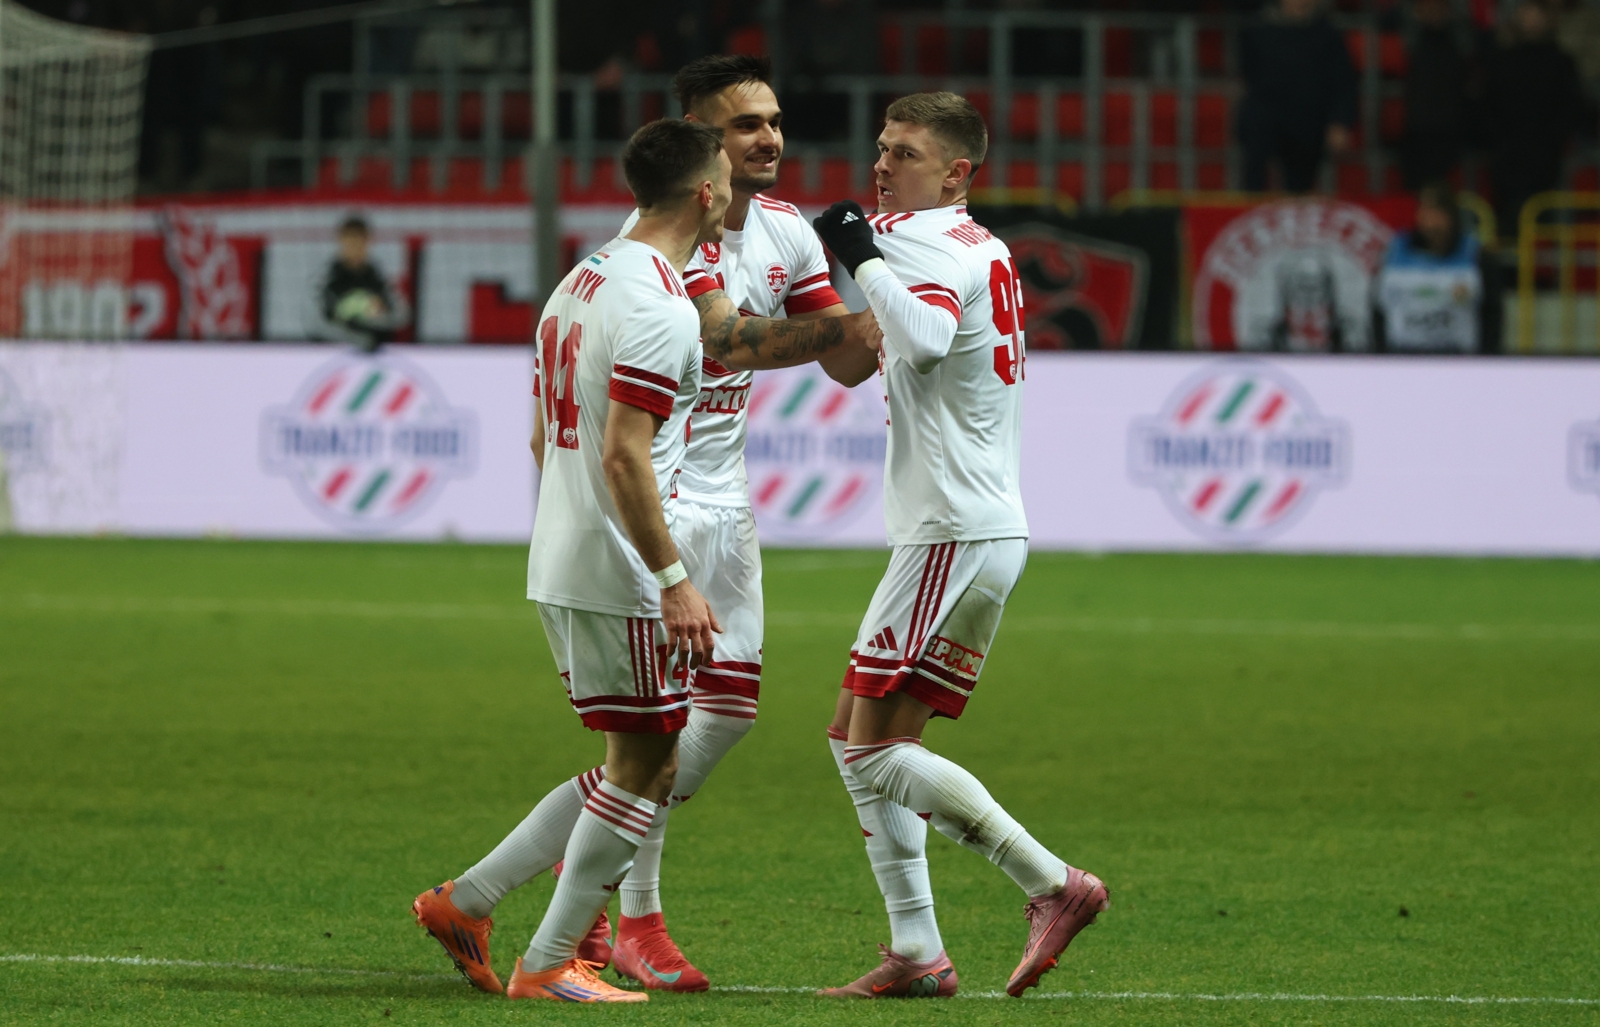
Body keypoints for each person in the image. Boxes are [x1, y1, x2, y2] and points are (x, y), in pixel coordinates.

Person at [411, 118, 730, 1003]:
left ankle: (467, 901)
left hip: (566, 549)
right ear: (706, 192)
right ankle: (549, 961)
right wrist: (672, 579)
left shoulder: (580, 280)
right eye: (726, 181)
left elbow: (539, 440)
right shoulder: (661, 305)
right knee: (647, 767)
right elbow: (626, 455)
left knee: (644, 760)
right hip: (619, 567)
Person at [810, 91, 1109, 1000]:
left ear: (956, 173)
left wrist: (861, 251)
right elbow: (855, 358)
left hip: (950, 529)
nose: (882, 164)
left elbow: (929, 340)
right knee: (856, 734)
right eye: (881, 146)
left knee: (869, 750)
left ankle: (1052, 882)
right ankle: (917, 950)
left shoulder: (916, 242)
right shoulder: (982, 244)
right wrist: (829, 275)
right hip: (978, 526)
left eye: (904, 152)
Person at [592, 53, 881, 991]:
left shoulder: (788, 230)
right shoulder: (671, 236)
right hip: (666, 495)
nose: (768, 138)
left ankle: (586, 863)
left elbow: (846, 364)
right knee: (656, 730)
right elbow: (729, 339)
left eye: (775, 120)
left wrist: (892, 300)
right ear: (698, 142)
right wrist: (867, 319)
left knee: (728, 711)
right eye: (745, 124)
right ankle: (632, 917)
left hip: (730, 501)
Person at [1486, 0, 1588, 235]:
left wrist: (1554, 138)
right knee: (1509, 230)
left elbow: (1573, 108)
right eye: (1527, 12)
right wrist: (1497, 141)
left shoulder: (1562, 63)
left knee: (1545, 228)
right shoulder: (1501, 61)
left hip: (1546, 160)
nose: (1532, 19)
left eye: (1538, 13)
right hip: (1508, 158)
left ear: (1549, 19)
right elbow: (1489, 106)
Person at [1238, 0, 1358, 192]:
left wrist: (1340, 121)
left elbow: (1343, 82)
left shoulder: (1328, 35)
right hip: (1265, 120)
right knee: (1254, 174)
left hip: (1308, 123)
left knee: (1300, 186)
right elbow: (1249, 78)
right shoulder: (1258, 31)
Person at [1373, 181, 1503, 353]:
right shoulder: (1393, 255)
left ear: (1452, 216)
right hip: (1402, 357)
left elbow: (1492, 314)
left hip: (1459, 358)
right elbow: (1377, 309)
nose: (1432, 223)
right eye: (1426, 213)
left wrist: (1487, 358)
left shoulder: (1477, 258)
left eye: (1438, 213)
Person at [1399, 0, 1477, 189]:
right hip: (1418, 126)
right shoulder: (1415, 38)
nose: (1434, 13)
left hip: (1449, 125)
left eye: (1439, 8)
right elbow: (1388, 19)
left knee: (1442, 186)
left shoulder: (1459, 40)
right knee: (1416, 186)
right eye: (1428, 8)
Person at [319, 215, 407, 351]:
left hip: (378, 353)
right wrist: (355, 336)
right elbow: (315, 322)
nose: (355, 246)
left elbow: (401, 316)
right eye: (350, 240)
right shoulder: (325, 279)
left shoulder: (380, 278)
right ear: (340, 240)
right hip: (332, 353)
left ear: (368, 241)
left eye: (359, 240)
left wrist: (378, 317)